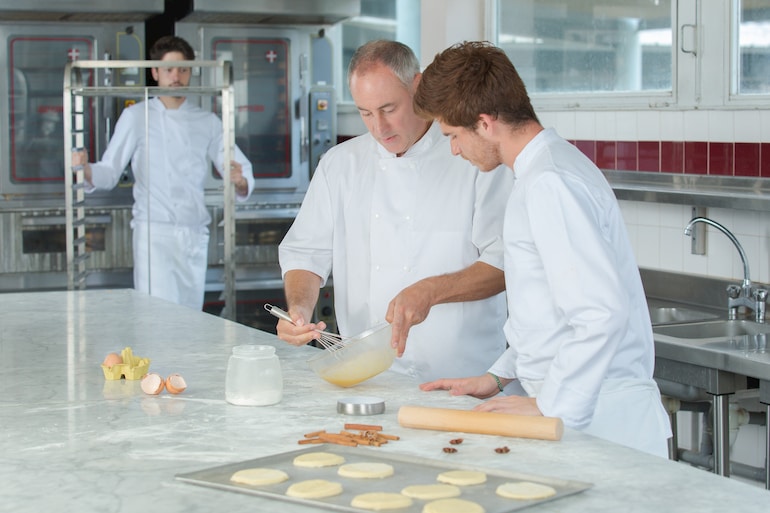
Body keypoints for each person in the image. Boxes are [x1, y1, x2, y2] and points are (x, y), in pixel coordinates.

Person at [414, 41, 671, 457]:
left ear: (484, 122)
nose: (454, 150)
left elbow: (599, 313)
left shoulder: (552, 182)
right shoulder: (540, 172)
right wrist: (499, 376)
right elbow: (549, 313)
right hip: (574, 411)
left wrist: (551, 407)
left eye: (453, 135)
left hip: (603, 422)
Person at [277, 40, 516, 383]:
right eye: (365, 113)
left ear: (417, 86)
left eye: (389, 109)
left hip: (466, 378)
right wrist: (298, 308)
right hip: (369, 377)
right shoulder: (339, 165)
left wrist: (432, 290)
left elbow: (506, 263)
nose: (378, 127)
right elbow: (305, 252)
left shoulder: (475, 158)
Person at [71, 35, 254, 310]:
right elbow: (109, 172)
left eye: (183, 69)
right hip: (153, 234)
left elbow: (240, 169)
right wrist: (83, 169)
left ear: (191, 72)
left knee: (192, 319)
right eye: (168, 70)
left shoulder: (208, 121)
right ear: (155, 72)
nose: (176, 77)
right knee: (155, 318)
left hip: (193, 233)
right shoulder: (137, 117)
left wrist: (240, 182)